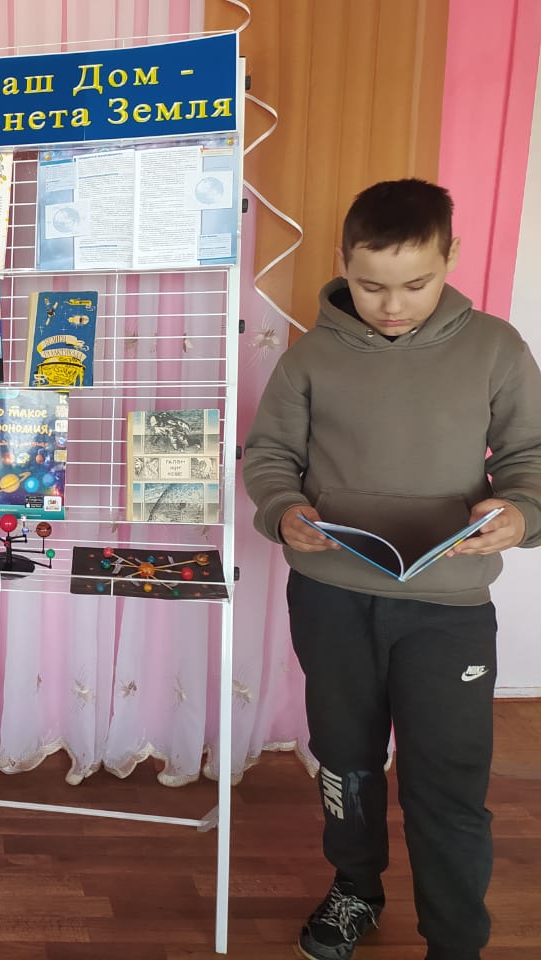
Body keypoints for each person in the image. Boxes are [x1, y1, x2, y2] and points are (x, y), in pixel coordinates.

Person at [243, 178, 541, 960]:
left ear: (452, 256)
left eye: (417, 283)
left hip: (449, 610)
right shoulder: (310, 357)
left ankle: (456, 939)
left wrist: (519, 514)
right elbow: (270, 457)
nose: (393, 305)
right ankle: (355, 888)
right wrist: (284, 511)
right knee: (345, 761)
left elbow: (529, 458)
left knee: (447, 779)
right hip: (332, 599)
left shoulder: (496, 349)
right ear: (343, 261)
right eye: (372, 285)